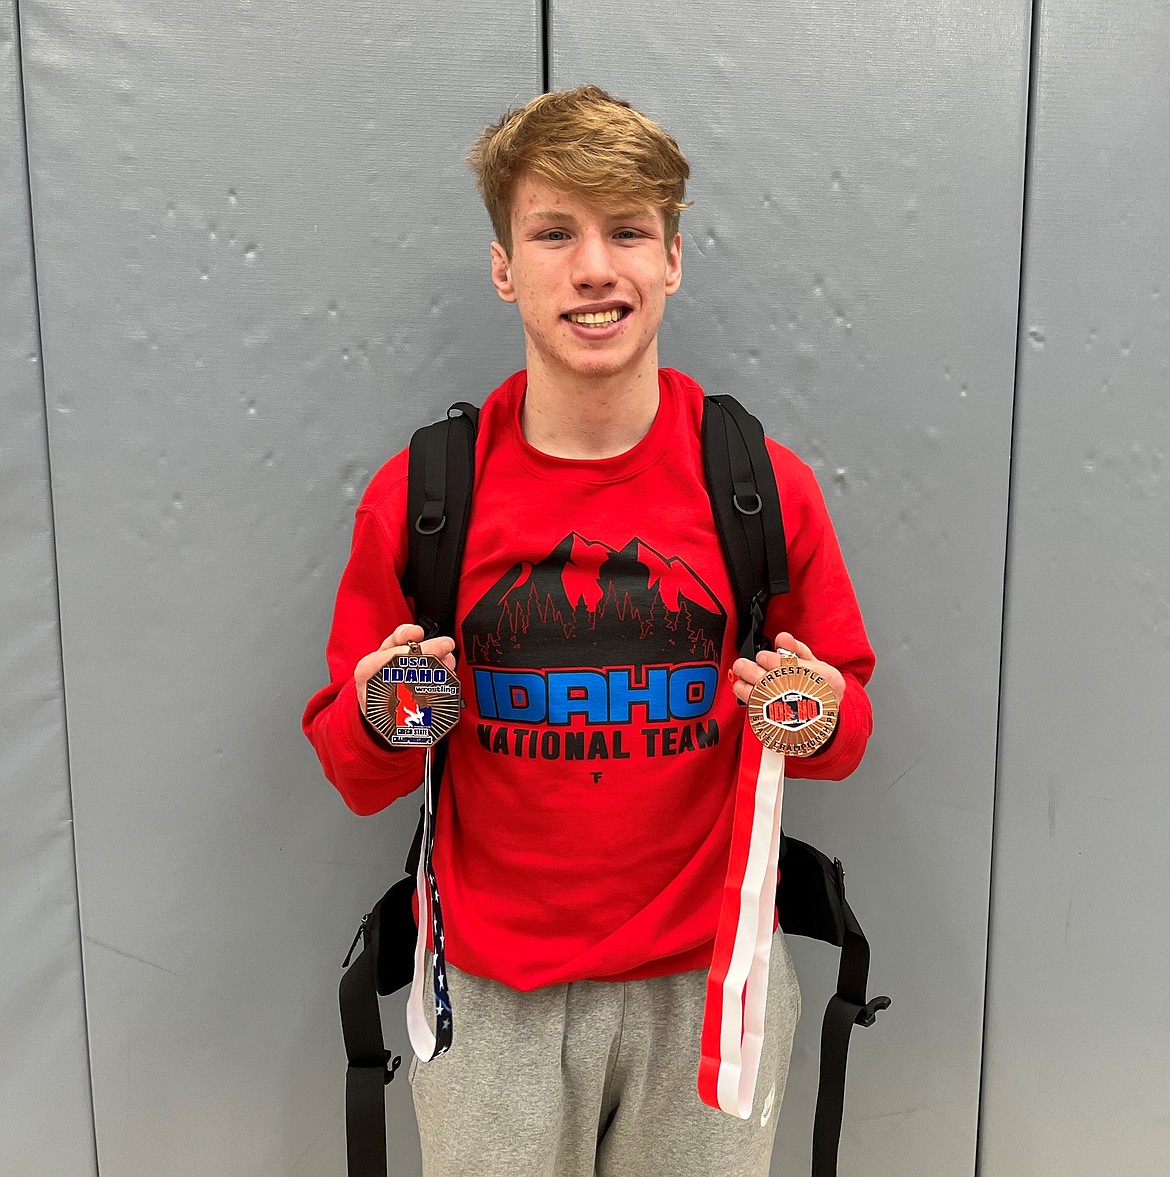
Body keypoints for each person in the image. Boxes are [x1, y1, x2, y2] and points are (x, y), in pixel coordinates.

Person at [302, 85, 875, 1177]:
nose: (595, 266)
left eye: (628, 231)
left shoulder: (759, 486)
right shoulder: (427, 494)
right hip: (488, 996)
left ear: (672, 260)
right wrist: (386, 714)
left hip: (717, 986)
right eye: (554, 232)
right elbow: (354, 765)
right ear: (504, 267)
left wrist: (819, 712)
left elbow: (841, 732)